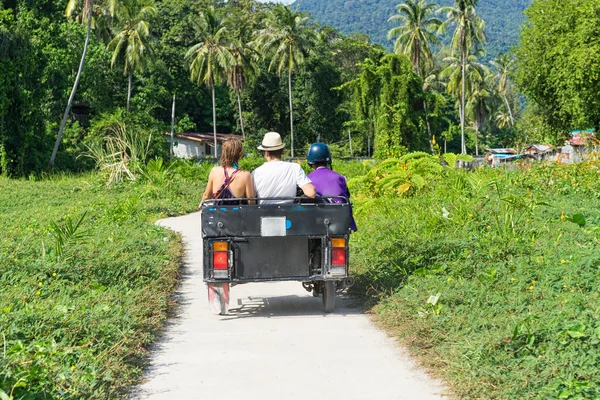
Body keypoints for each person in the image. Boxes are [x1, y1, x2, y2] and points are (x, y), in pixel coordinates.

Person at [252, 131, 316, 204]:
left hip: (262, 214)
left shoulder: (255, 173)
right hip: (288, 213)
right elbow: (311, 193)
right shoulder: (295, 168)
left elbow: (251, 199)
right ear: (282, 151)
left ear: (266, 153)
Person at [306, 142, 357, 231]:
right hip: (339, 220)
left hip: (315, 221)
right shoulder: (340, 177)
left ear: (311, 161)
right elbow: (347, 196)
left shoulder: (307, 179)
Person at [201, 138, 255, 206]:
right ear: (240, 154)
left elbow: (206, 196)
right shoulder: (246, 175)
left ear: (223, 153)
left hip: (218, 215)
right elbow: (251, 202)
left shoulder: (214, 171)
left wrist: (201, 205)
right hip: (237, 215)